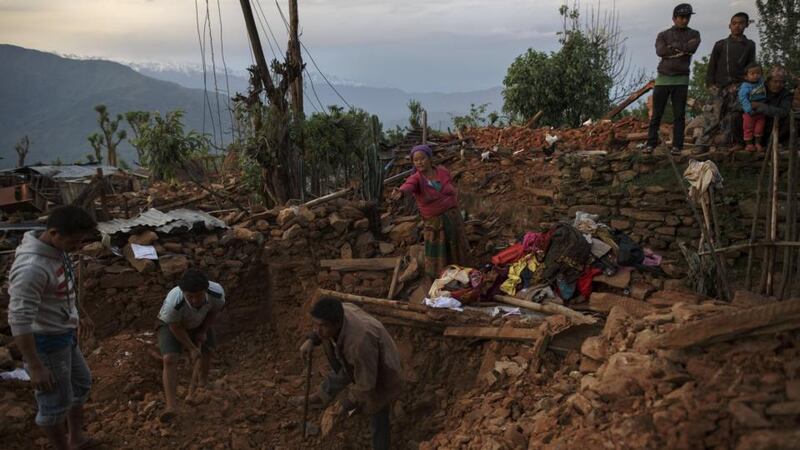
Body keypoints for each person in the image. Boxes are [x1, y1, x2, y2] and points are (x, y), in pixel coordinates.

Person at [8, 206, 97, 450]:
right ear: (54, 233)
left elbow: (64, 286)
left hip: (64, 334)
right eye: (74, 242)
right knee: (54, 404)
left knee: (81, 384)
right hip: (46, 343)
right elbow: (18, 319)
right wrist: (35, 365)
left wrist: (79, 313)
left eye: (81, 241)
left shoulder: (57, 251)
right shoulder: (31, 268)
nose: (77, 247)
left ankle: (76, 439)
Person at [299, 297, 402, 450]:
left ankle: (381, 446)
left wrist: (344, 405)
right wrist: (312, 339)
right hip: (359, 357)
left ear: (337, 324)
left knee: (376, 404)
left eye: (322, 326)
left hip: (382, 366)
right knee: (343, 371)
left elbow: (366, 384)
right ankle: (321, 396)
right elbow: (320, 328)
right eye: (315, 324)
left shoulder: (359, 344)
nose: (317, 330)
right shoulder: (339, 311)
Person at [390, 144, 472, 281]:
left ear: (429, 158)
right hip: (435, 223)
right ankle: (440, 279)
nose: (419, 162)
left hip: (453, 217)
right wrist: (401, 192)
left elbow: (451, 186)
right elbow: (408, 185)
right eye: (416, 160)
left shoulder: (442, 171)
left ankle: (462, 273)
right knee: (438, 252)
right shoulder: (416, 178)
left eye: (422, 158)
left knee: (457, 245)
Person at [156, 269, 225, 420]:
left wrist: (204, 331)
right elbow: (175, 327)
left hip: (200, 320)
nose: (194, 300)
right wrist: (191, 348)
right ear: (183, 292)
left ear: (205, 290)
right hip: (173, 324)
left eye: (198, 296)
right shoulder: (174, 302)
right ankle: (171, 406)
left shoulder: (217, 293)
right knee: (169, 359)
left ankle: (202, 385)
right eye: (190, 297)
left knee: (207, 349)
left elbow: (213, 312)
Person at [645, 3, 701, 156]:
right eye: (681, 17)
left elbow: (692, 48)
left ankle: (677, 145)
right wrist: (682, 49)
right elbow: (660, 51)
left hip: (681, 79)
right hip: (663, 78)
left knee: (679, 115)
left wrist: (673, 47)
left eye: (687, 17)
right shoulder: (663, 35)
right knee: (657, 113)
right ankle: (650, 143)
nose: (685, 20)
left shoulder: (694, 34)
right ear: (674, 18)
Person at [704, 12, 757, 146]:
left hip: (738, 87)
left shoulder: (749, 45)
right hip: (719, 87)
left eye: (741, 23)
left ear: (746, 25)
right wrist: (710, 84)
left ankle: (726, 145)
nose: (737, 26)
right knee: (712, 118)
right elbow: (712, 66)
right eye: (734, 23)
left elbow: (751, 67)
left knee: (731, 118)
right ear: (729, 25)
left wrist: (745, 85)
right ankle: (702, 145)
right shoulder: (720, 44)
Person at [752, 66, 793, 146]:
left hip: (773, 126)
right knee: (736, 115)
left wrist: (761, 106)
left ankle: (771, 143)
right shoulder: (758, 89)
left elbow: (784, 112)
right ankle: (744, 142)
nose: (778, 85)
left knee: (789, 119)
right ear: (768, 81)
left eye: (782, 82)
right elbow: (740, 104)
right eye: (775, 81)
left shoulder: (786, 94)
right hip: (755, 123)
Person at [738, 63, 768, 152]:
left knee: (759, 129)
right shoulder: (745, 87)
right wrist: (749, 110)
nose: (756, 75)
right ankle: (749, 145)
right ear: (746, 77)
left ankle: (757, 143)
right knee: (748, 129)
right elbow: (743, 99)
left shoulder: (762, 83)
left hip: (761, 112)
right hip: (750, 113)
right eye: (752, 74)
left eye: (758, 73)